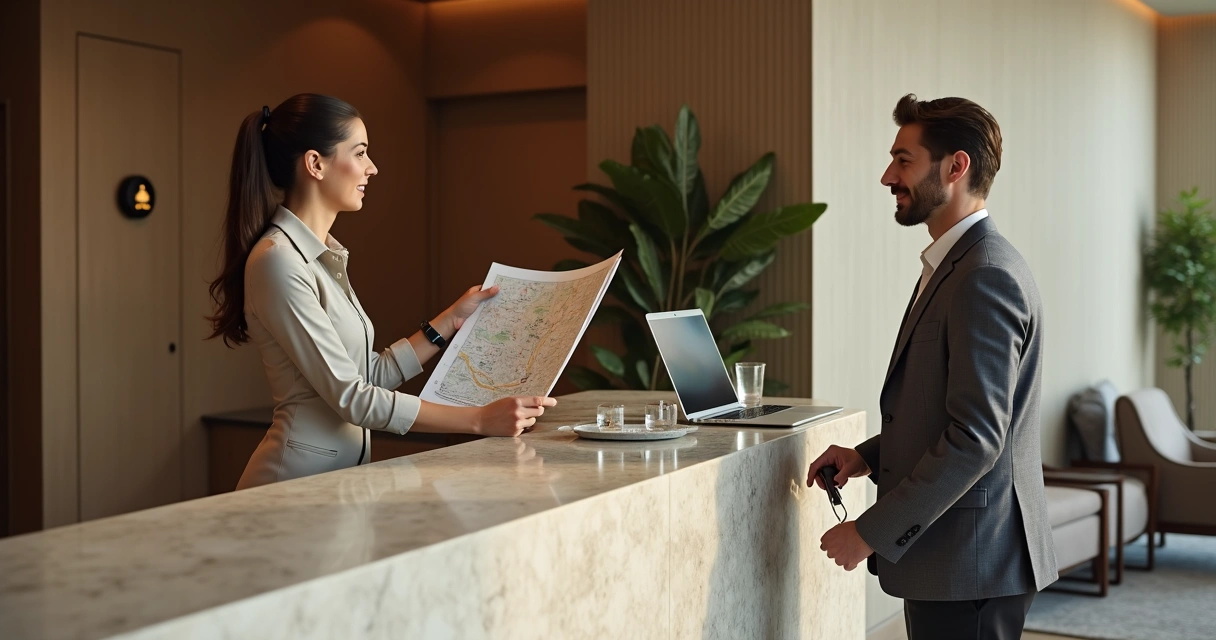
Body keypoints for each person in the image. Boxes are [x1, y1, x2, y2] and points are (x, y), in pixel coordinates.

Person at [207, 94, 556, 490]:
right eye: (360, 153)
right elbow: (353, 398)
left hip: (338, 486)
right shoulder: (279, 261)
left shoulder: (320, 256)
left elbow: (367, 376)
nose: (372, 168)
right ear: (315, 164)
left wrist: (450, 321)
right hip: (291, 488)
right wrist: (478, 420)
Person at [807, 94, 1057, 639]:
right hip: (960, 561)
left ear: (955, 167)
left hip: (971, 562)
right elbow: (948, 411)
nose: (887, 177)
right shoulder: (956, 265)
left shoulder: (984, 275)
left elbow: (976, 437)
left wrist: (872, 532)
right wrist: (867, 457)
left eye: (903, 160)